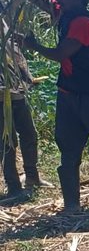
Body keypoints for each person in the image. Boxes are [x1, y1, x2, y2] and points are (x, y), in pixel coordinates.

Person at [22, 0, 89, 215]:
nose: (58, 0)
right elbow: (43, 3)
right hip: (68, 95)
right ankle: (71, 205)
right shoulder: (66, 13)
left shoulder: (82, 22)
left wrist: (34, 45)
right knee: (68, 149)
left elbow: (61, 54)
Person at [1, 22, 41, 203]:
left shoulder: (4, 23)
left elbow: (15, 54)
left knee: (29, 134)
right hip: (2, 96)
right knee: (8, 142)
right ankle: (14, 187)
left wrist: (26, 77)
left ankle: (32, 176)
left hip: (16, 91)